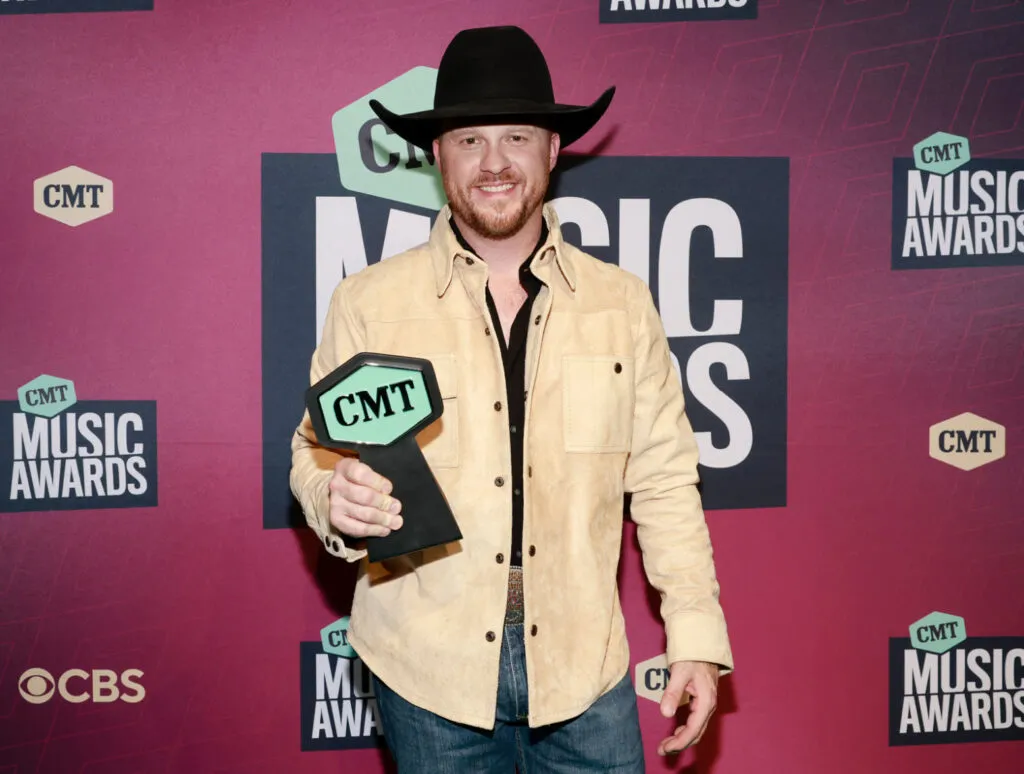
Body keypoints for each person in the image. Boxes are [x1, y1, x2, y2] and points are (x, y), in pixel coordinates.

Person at [290, 24, 733, 774]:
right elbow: (314, 452)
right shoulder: (369, 302)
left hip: (584, 674)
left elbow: (663, 479)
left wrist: (694, 632)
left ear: (553, 150)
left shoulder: (621, 305)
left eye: (517, 137)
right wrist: (333, 499)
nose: (494, 164)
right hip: (427, 676)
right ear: (436, 155)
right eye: (469, 140)